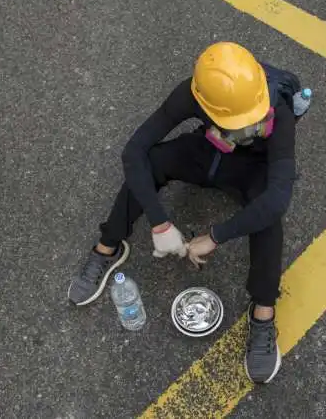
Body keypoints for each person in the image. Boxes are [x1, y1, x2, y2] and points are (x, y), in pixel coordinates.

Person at [68, 41, 301, 384]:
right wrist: (160, 222)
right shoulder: (193, 93)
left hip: (250, 170)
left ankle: (263, 313)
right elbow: (134, 151)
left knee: (268, 217)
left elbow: (279, 196)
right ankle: (108, 246)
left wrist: (216, 235)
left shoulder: (278, 111)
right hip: (206, 152)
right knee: (149, 164)